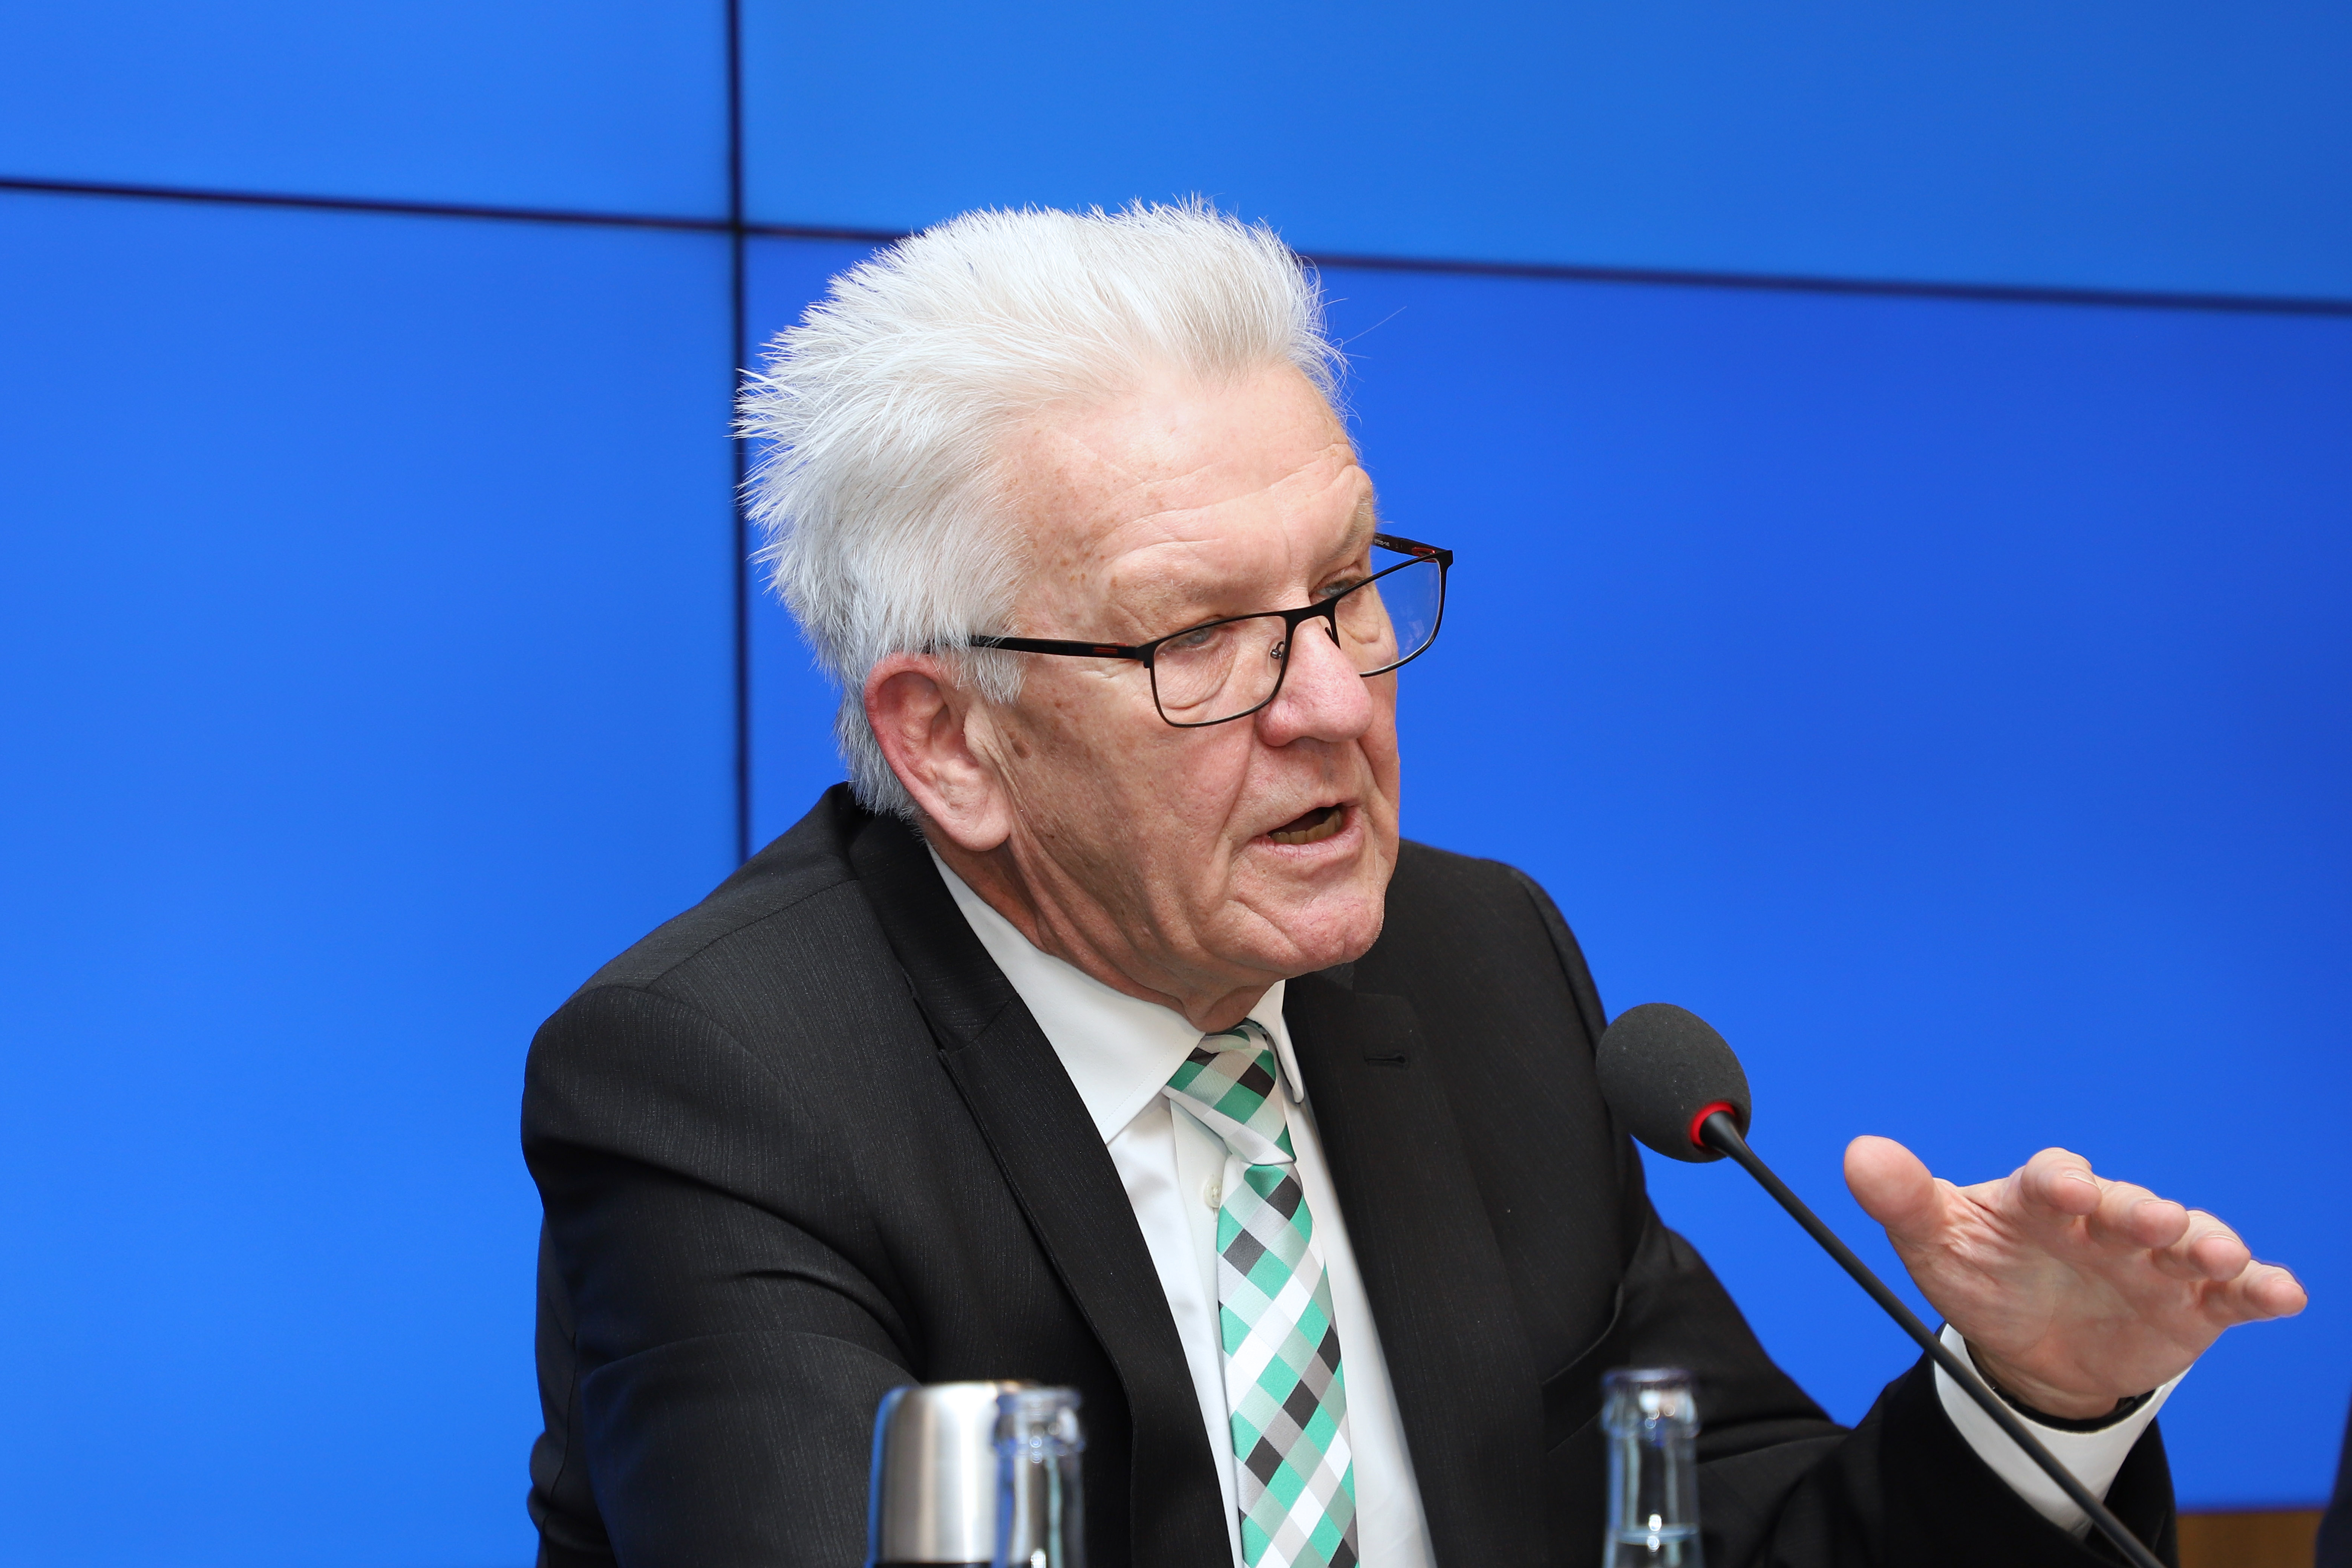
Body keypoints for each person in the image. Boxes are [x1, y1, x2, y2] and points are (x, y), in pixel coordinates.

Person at [521, 202, 2305, 1568]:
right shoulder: (728, 1083)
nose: (1330, 701)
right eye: (1201, 637)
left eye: (1344, 589)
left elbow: (1724, 1522)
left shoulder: (1475, 968)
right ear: (952, 740)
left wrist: (2032, 1394)